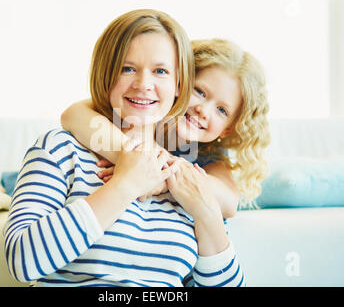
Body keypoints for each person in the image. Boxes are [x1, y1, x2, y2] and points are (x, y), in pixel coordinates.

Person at [3, 9, 245, 287]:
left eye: (160, 71)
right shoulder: (59, 148)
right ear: (106, 74)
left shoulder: (190, 181)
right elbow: (22, 262)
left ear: (179, 84)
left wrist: (206, 212)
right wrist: (125, 185)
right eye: (127, 68)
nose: (144, 84)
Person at [61, 38, 271, 212]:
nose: (203, 110)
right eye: (200, 92)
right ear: (179, 83)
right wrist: (131, 161)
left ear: (228, 129)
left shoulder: (208, 153)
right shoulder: (142, 111)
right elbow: (72, 115)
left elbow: (229, 203)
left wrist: (161, 179)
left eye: (222, 110)